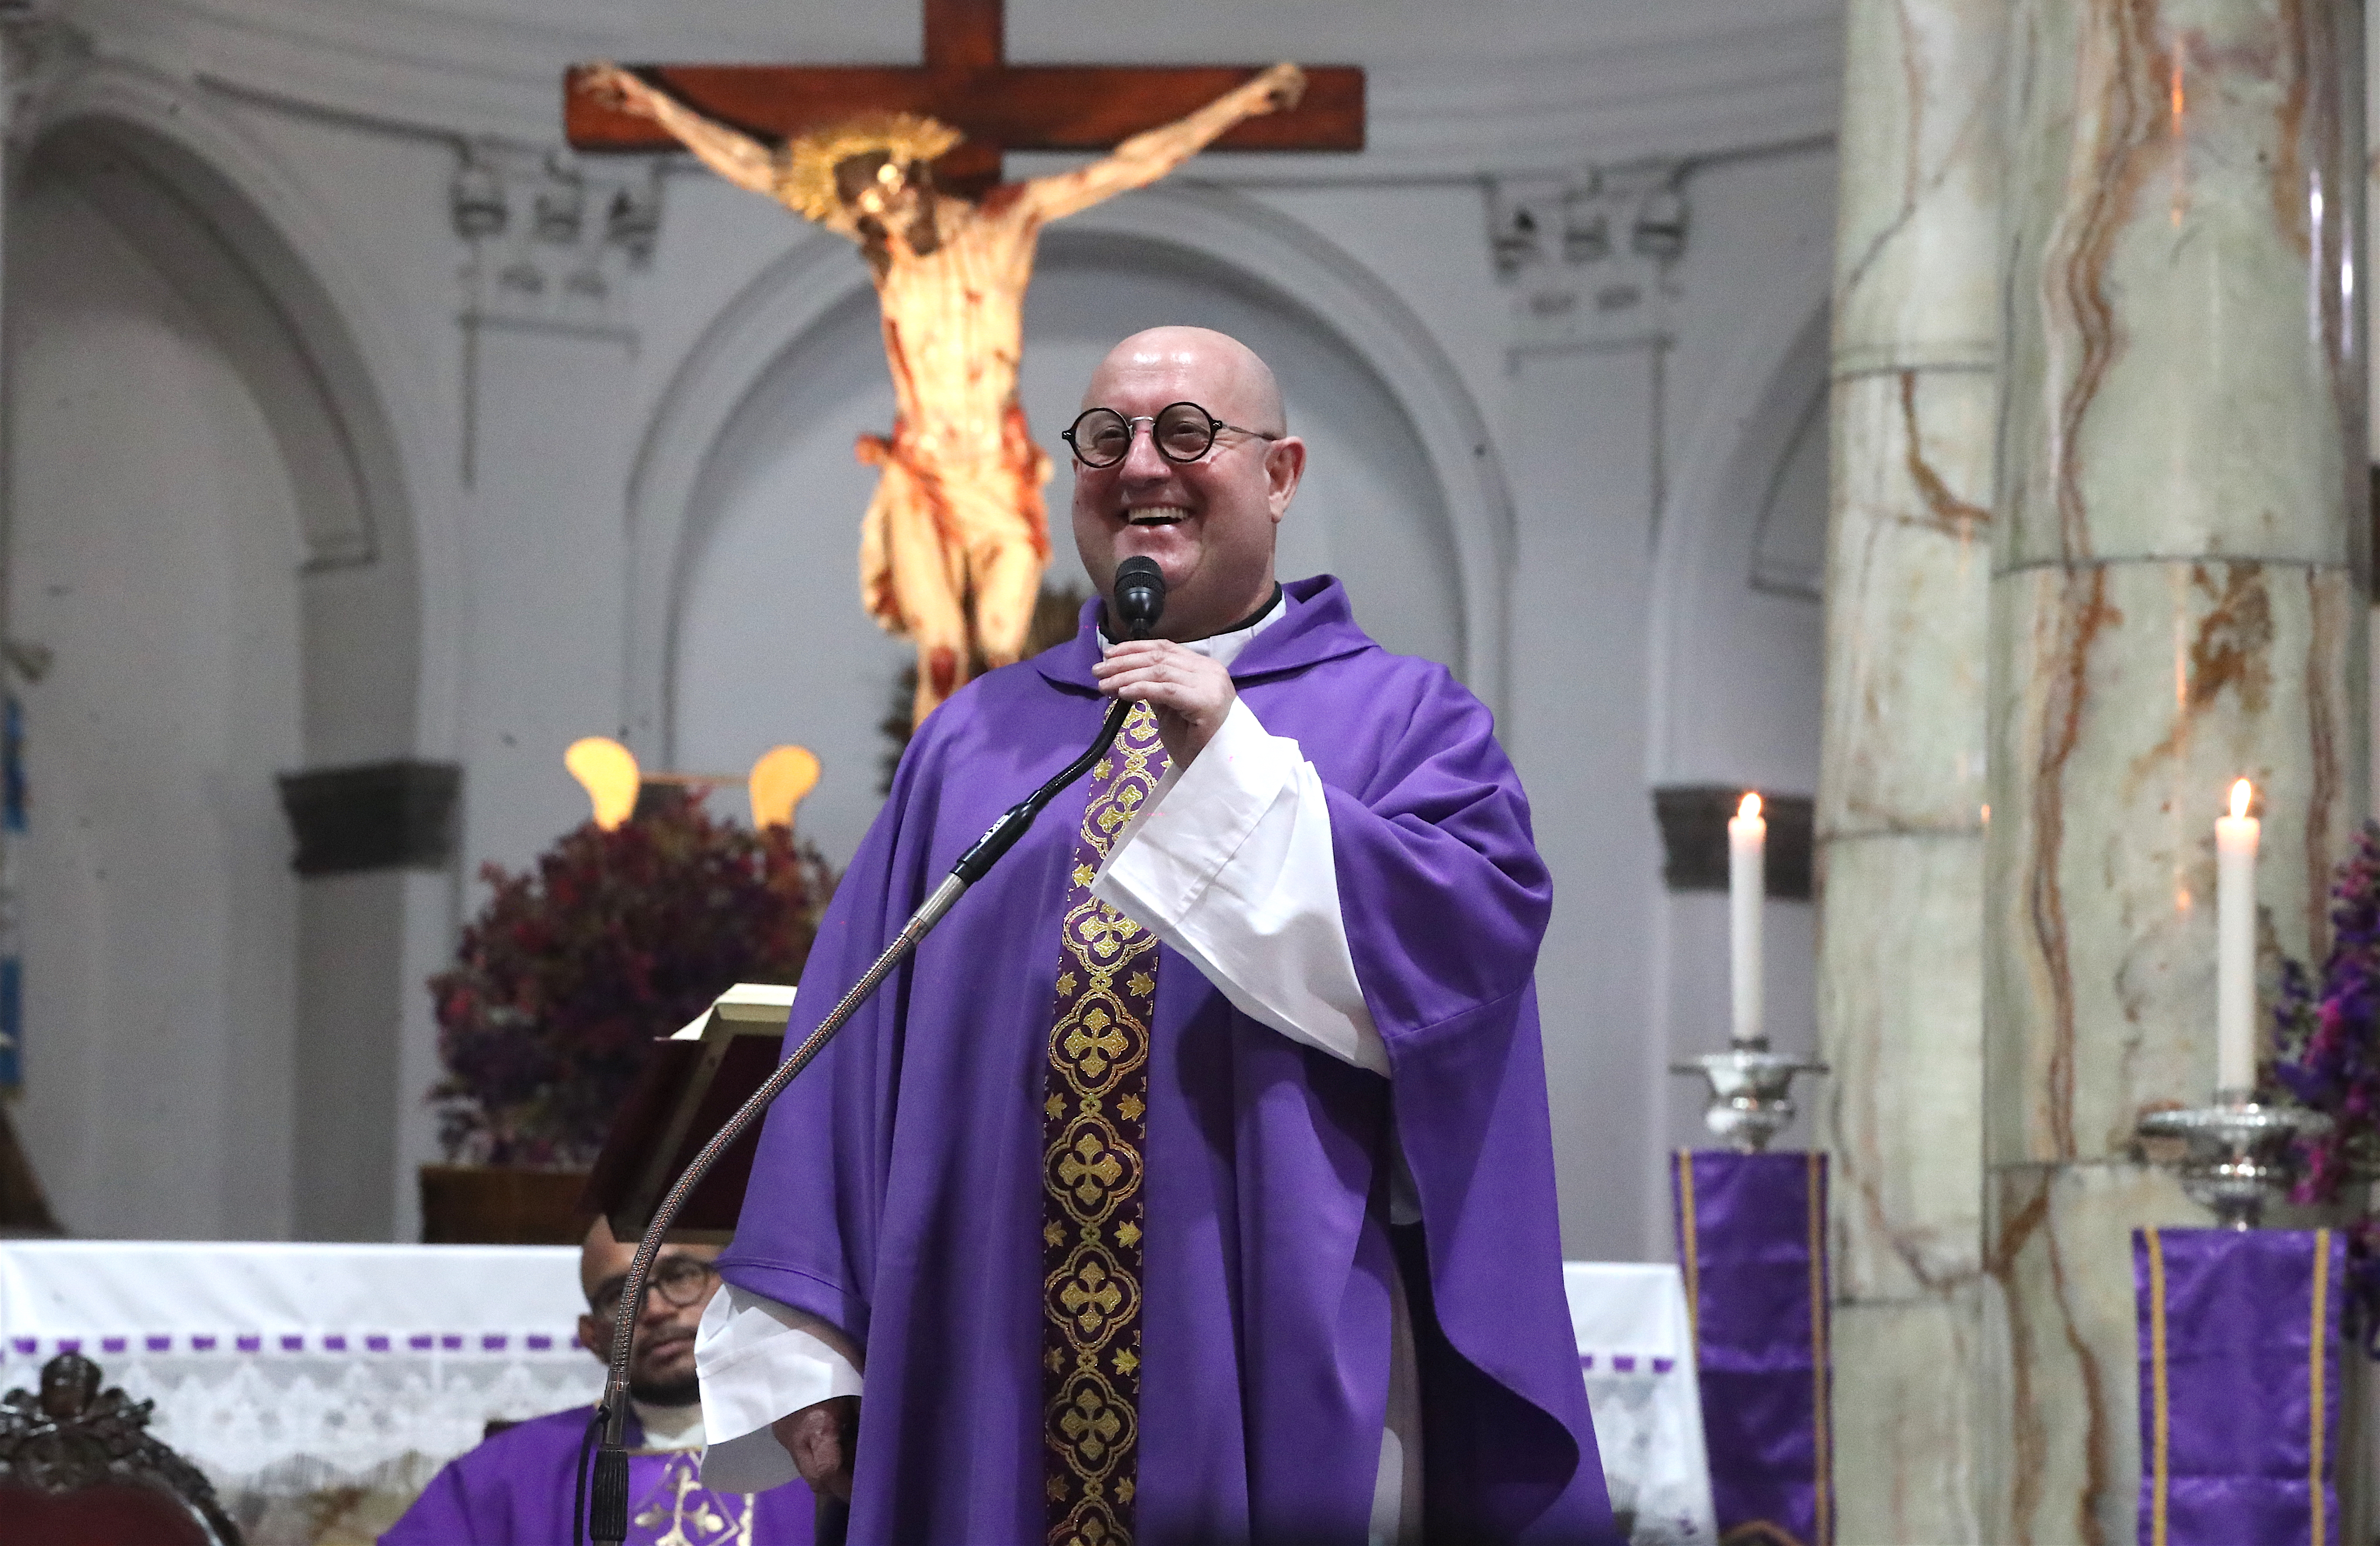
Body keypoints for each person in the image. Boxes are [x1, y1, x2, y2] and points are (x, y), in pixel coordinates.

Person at [697, 326, 1615, 1544]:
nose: (1142, 466)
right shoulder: (972, 743)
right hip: (985, 1349)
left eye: (1189, 434)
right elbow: (848, 1043)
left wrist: (1231, 762)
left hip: (1275, 1336)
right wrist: (810, 1331)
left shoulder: (1403, 722)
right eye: (1106, 438)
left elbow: (1457, 979)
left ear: (1280, 477)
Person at [574, 62, 1306, 723]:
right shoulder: (886, 252)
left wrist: (1236, 107)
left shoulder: (1002, 224)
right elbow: (761, 169)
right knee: (942, 656)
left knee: (1000, 645)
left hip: (994, 474)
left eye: (890, 207)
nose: (885, 229)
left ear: (915, 178)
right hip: (921, 476)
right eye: (871, 220)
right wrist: (656, 110)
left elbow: (1126, 167)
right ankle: (931, 803)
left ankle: (1009, 783)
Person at [382, 1219, 813, 1545]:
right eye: (621, 1296)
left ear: (733, 1286)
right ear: (592, 1336)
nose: (656, 1309)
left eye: (680, 1276)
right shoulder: (511, 1473)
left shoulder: (821, 1444)